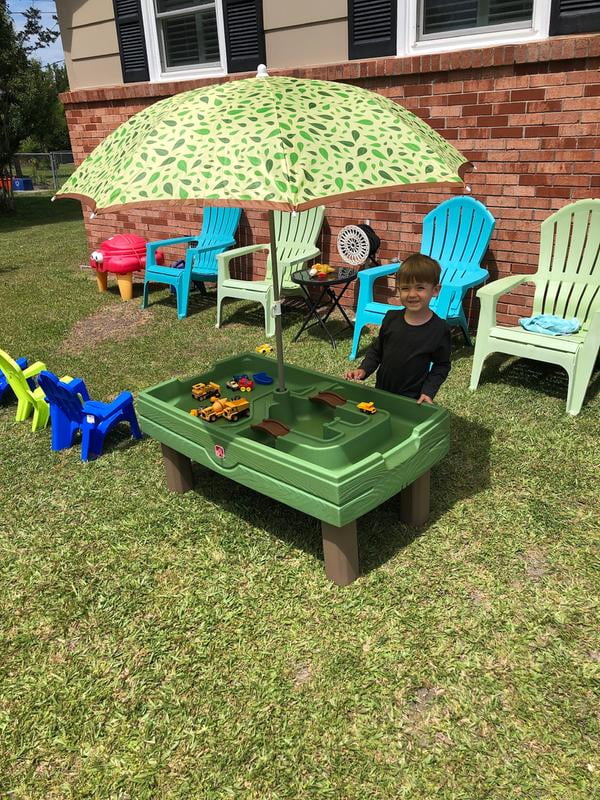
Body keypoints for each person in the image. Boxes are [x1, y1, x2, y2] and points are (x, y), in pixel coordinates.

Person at [344, 254, 450, 404]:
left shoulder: (439, 329)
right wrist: (364, 369)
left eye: (420, 288)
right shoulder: (391, 318)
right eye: (406, 288)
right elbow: (377, 350)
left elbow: (442, 365)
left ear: (435, 290)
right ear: (399, 289)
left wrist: (428, 391)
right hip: (382, 390)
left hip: (413, 398)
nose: (412, 294)